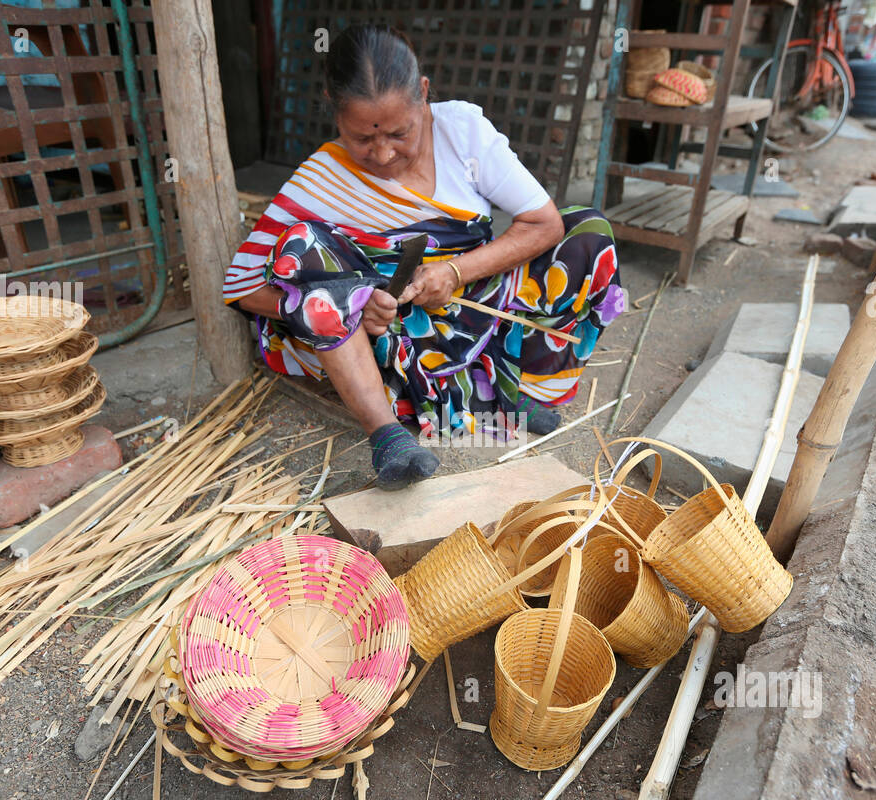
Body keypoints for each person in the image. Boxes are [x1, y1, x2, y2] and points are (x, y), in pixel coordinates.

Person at [226, 24, 625, 490]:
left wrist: (456, 271)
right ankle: (387, 434)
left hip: (483, 310)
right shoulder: (321, 178)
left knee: (587, 232)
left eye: (400, 132)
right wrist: (347, 302)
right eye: (362, 139)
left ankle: (516, 387)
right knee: (302, 243)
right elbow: (243, 288)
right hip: (397, 342)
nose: (382, 153)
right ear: (335, 114)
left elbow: (544, 223)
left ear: (423, 94)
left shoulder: (464, 134)